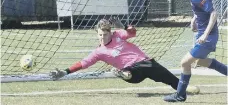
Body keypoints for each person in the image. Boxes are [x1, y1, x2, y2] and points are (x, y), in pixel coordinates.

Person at [50, 18, 189, 92]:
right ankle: (123, 73)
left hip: (146, 63)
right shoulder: (98, 52)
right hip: (132, 71)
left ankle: (182, 90)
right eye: (100, 35)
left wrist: (123, 26)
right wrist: (65, 71)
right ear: (97, 34)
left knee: (170, 79)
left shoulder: (118, 35)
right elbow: (83, 63)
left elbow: (133, 33)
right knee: (129, 72)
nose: (102, 37)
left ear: (110, 32)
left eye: (105, 34)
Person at [164, 0, 227, 103]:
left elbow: (214, 13)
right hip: (204, 34)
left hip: (208, 37)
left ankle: (180, 95)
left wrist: (204, 34)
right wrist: (194, 19)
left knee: (184, 62)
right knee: (200, 61)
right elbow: (202, 9)